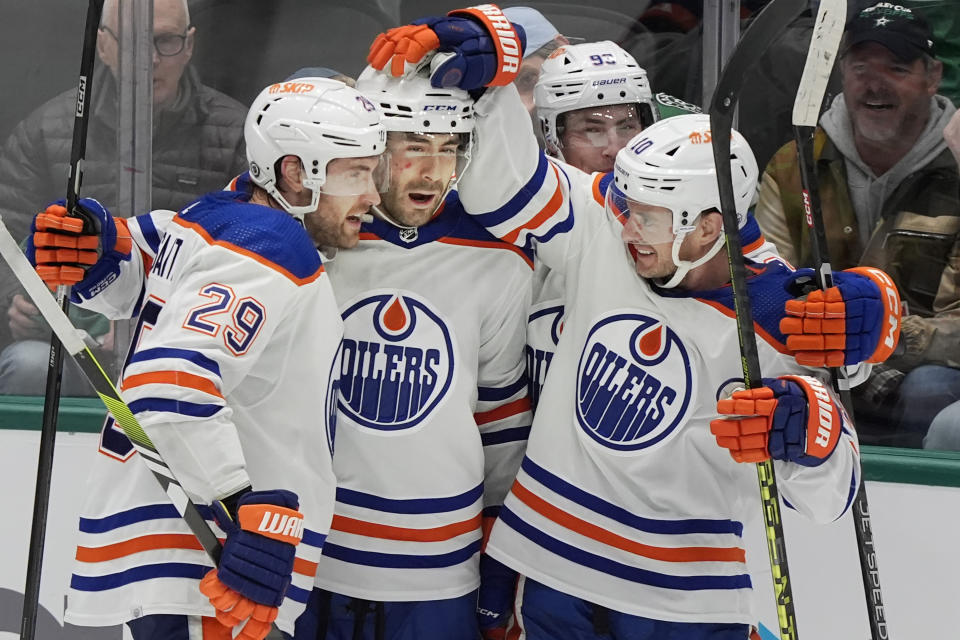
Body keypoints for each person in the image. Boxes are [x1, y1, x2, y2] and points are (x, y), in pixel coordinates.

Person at [367, 10, 902, 636]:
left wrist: (811, 434)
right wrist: (490, 85)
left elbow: (831, 498)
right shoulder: (606, 219)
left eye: (645, 217)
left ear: (709, 225)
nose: (624, 227)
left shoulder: (785, 318)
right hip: (546, 562)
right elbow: (508, 185)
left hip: (681, 597)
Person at [30, 77, 386, 640]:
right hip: (208, 565)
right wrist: (242, 512)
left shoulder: (218, 218)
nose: (373, 194)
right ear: (296, 172)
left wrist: (95, 247)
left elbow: (134, 275)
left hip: (174, 557)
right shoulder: (270, 246)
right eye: (355, 173)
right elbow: (169, 385)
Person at [288, 65, 532, 640]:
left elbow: (499, 417)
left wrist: (499, 555)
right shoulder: (313, 236)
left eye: (450, 148)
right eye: (414, 145)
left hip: (438, 571)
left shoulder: (497, 257)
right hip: (313, 556)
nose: (434, 171)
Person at [0, 0, 248, 395]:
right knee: (28, 367)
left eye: (165, 41)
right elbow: (8, 234)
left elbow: (254, 257)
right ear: (103, 46)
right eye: (133, 42)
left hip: (191, 345)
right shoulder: (48, 132)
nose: (148, 59)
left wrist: (160, 316)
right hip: (73, 344)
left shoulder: (237, 134)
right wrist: (18, 297)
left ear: (189, 46)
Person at [754, 2, 960, 447]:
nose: (874, 83)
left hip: (920, 373)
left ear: (933, 76)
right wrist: (819, 332)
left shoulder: (959, 165)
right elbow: (762, 279)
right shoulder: (794, 164)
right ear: (841, 73)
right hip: (818, 357)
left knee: (931, 389)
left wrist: (880, 331)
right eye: (860, 66)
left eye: (897, 67)